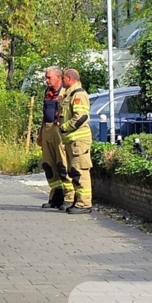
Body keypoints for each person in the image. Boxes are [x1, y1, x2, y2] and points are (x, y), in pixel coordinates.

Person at [59, 68, 92, 214]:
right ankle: (78, 201)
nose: (62, 81)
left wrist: (64, 127)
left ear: (69, 79)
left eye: (63, 78)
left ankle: (84, 204)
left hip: (79, 140)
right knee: (74, 172)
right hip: (72, 140)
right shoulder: (69, 94)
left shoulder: (78, 95)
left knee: (80, 171)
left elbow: (81, 117)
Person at [39, 66, 71, 209]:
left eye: (49, 77)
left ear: (58, 77)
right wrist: (40, 134)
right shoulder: (48, 92)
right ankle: (56, 197)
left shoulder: (66, 92)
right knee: (49, 164)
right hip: (47, 128)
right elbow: (44, 114)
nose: (46, 80)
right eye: (46, 77)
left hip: (59, 129)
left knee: (62, 164)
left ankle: (69, 197)